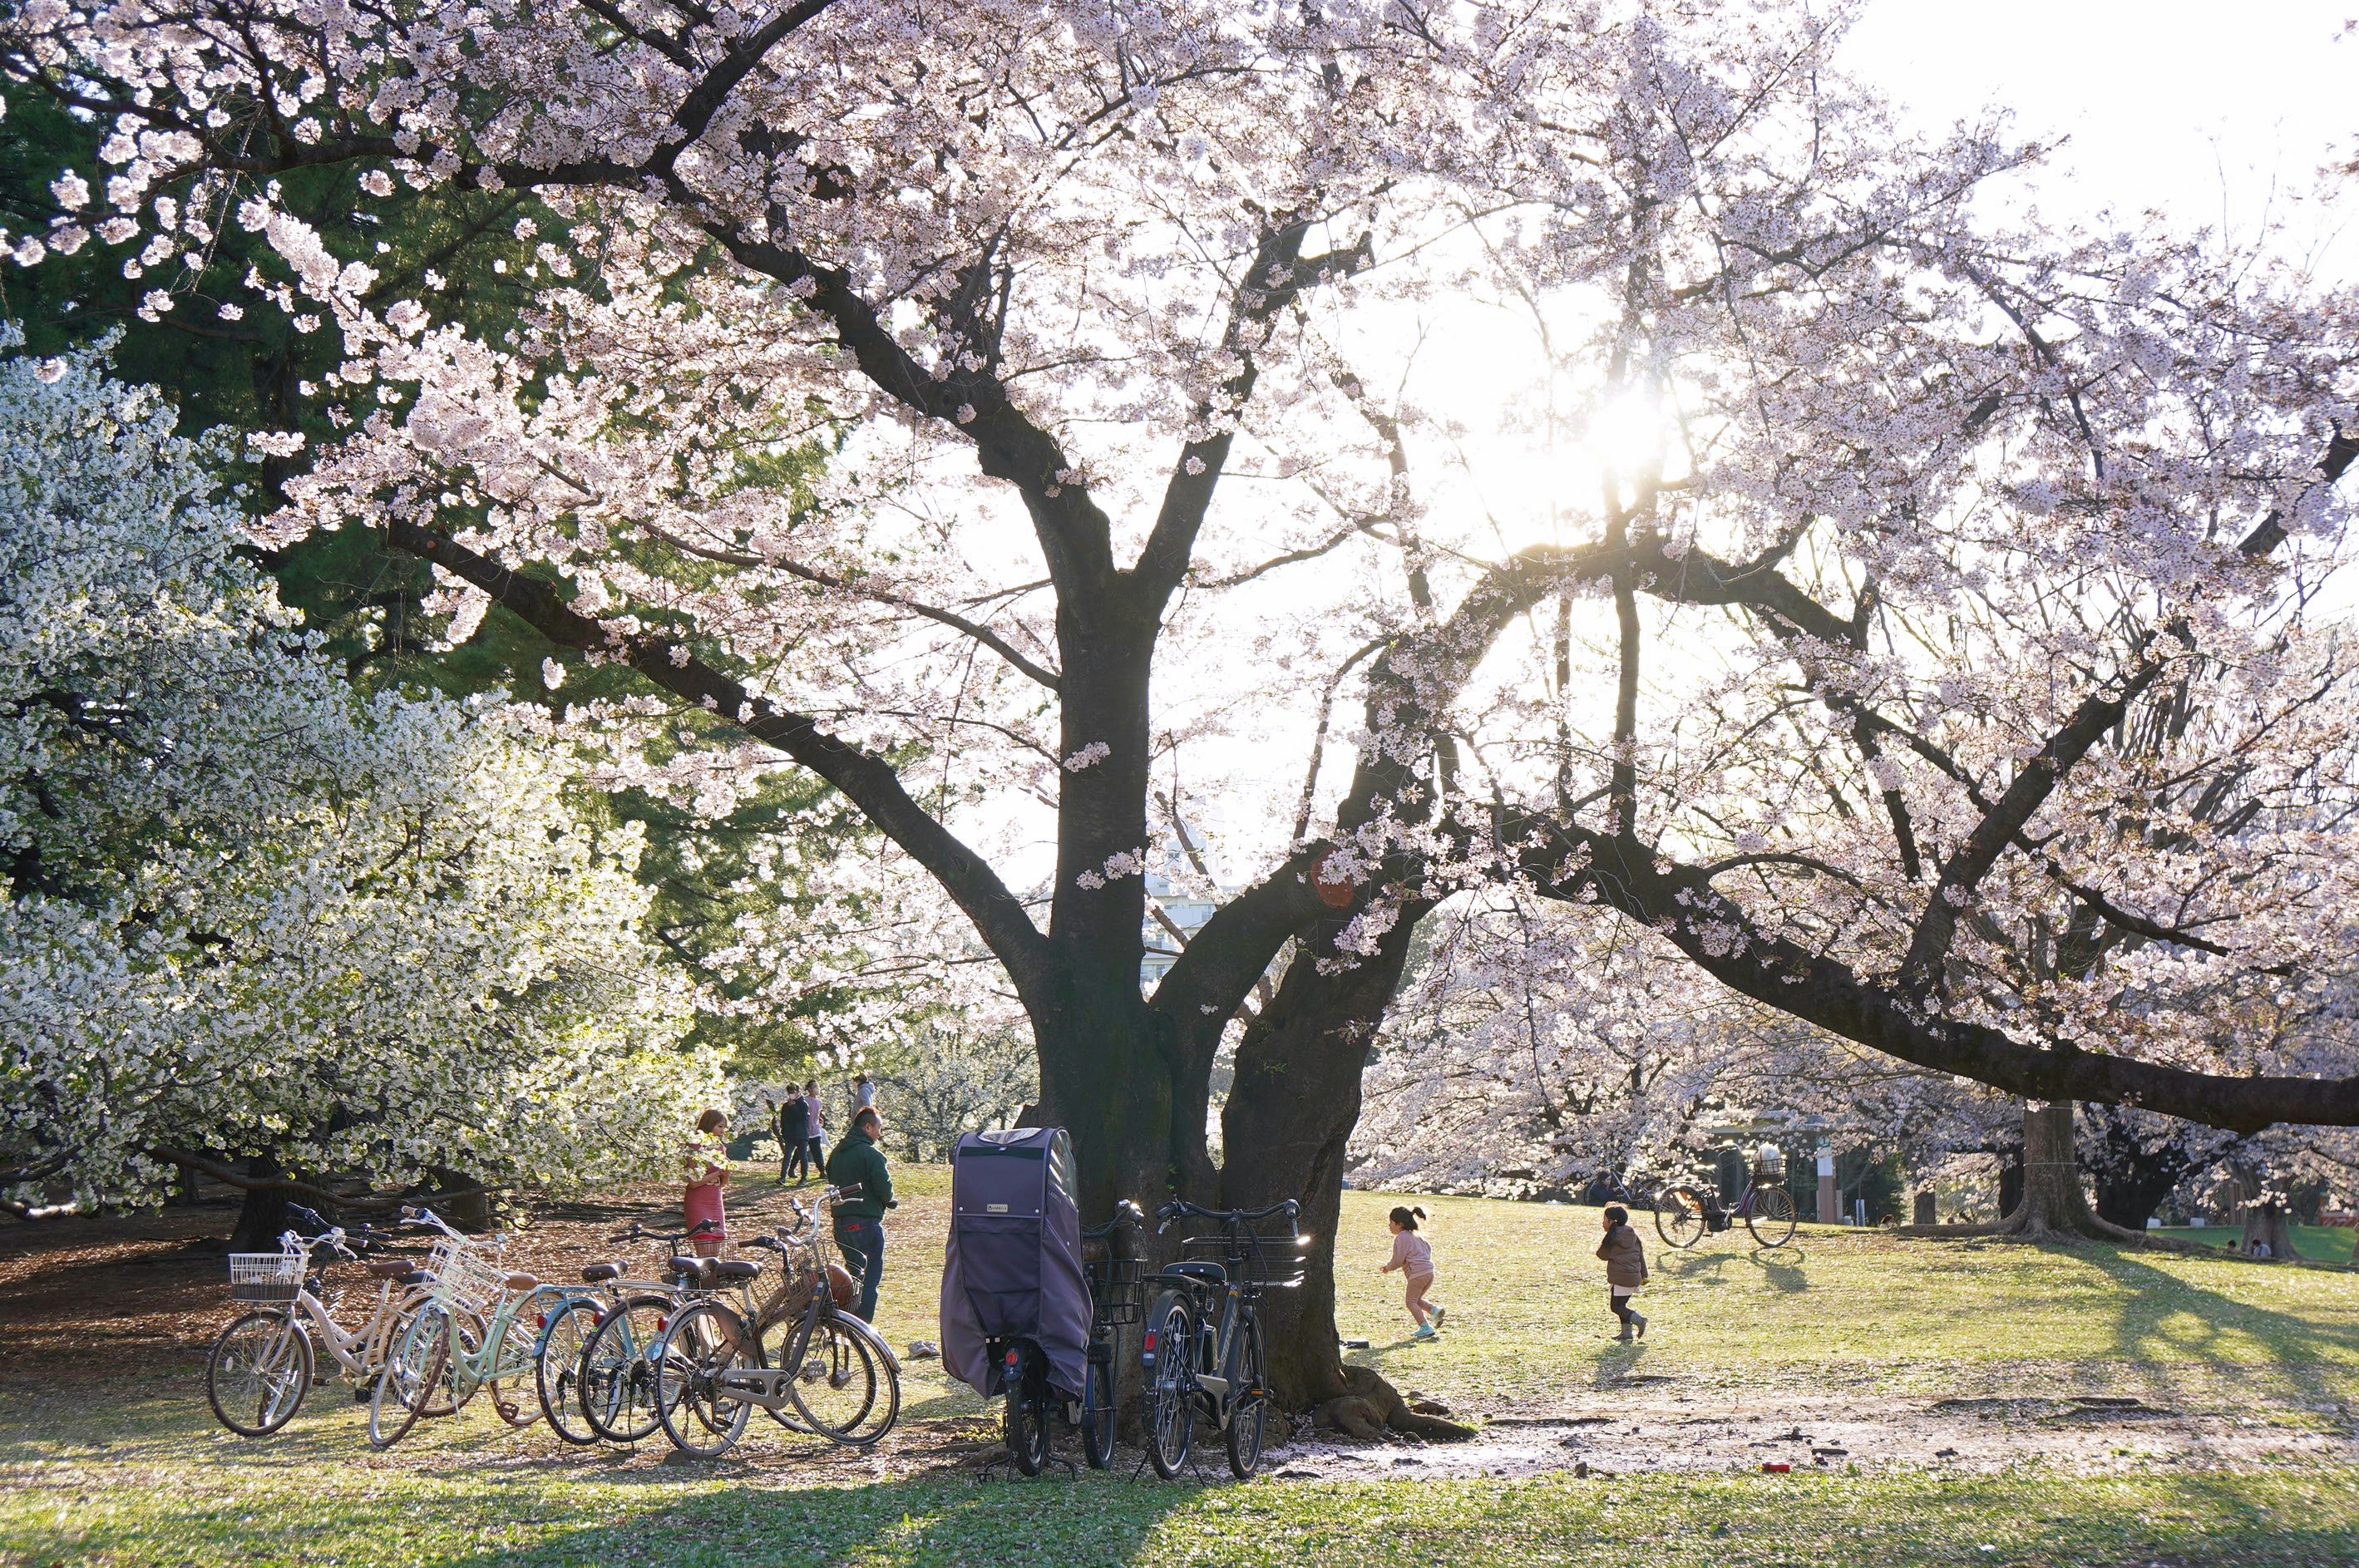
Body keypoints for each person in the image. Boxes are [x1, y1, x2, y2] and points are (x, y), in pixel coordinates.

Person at [824, 1105, 894, 1321]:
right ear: (867, 1127)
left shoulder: (836, 1154)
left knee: (854, 1274)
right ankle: (863, 1322)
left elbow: (830, 1176)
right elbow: (884, 1187)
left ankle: (847, 1317)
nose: (879, 1133)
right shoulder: (872, 1155)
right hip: (865, 1221)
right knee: (870, 1278)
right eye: (878, 1128)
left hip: (840, 1223)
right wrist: (888, 1200)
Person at [1379, 1204, 1445, 1339]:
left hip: (1417, 1274)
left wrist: (1387, 1268)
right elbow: (1428, 1248)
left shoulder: (1402, 1237)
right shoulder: (1417, 1236)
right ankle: (1434, 1311)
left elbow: (1397, 1260)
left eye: (1391, 1222)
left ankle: (1425, 1327)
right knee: (1416, 1299)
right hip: (1428, 1272)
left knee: (1410, 1302)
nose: (1389, 1225)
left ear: (1400, 1224)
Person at [684, 1107, 730, 1258]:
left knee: (715, 1250)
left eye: (724, 1127)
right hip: (698, 1200)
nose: (722, 1130)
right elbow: (694, 1183)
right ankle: (703, 1281)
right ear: (709, 1124)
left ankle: (712, 1281)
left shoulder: (721, 1147)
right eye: (720, 1126)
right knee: (704, 1246)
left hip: (715, 1199)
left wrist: (726, 1173)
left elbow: (722, 1183)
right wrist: (717, 1173)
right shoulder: (695, 1146)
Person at [1597, 1203, 1648, 1340]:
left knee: (1616, 1306)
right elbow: (1640, 1256)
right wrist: (1644, 1275)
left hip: (1621, 1278)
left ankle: (1639, 1320)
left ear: (1611, 1221)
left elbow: (1602, 1255)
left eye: (1604, 1219)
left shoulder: (1613, 1237)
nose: (1603, 1223)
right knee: (1621, 1305)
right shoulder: (1633, 1236)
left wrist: (1605, 1243)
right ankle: (1626, 1333)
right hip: (1634, 1277)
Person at [777, 1085, 811, 1184]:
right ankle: (782, 1177)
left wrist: (793, 1108)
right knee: (787, 1155)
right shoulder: (785, 1106)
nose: (791, 1094)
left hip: (802, 1135)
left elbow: (801, 1118)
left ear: (798, 1092)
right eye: (789, 1092)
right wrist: (784, 1132)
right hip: (790, 1135)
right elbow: (783, 1120)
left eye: (793, 1092)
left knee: (803, 1156)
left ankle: (804, 1178)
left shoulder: (803, 1104)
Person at [798, 1077, 827, 1180]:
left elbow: (817, 1116)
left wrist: (819, 1123)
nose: (817, 1088)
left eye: (817, 1086)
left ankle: (822, 1171)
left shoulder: (819, 1102)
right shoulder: (804, 1100)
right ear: (809, 1089)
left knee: (817, 1151)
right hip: (805, 1131)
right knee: (800, 1153)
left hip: (815, 1130)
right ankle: (793, 1170)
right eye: (814, 1086)